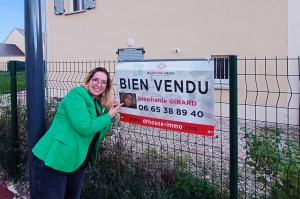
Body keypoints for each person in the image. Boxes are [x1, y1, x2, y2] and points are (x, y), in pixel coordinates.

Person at [31, 67, 123, 199]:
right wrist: (108, 116)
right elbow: (85, 128)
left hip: (78, 161)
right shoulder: (77, 94)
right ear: (88, 80)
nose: (99, 84)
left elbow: (98, 131)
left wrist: (110, 114)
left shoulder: (96, 103)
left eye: (104, 82)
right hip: (54, 159)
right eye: (95, 80)